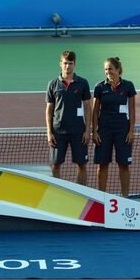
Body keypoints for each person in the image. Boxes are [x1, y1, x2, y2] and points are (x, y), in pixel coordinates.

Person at [45, 50, 92, 185]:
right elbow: (49, 109)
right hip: (58, 132)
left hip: (78, 132)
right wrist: (49, 132)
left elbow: (88, 107)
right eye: (65, 63)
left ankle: (82, 194)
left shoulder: (82, 83)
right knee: (55, 165)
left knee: (81, 165)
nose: (67, 66)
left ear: (74, 64)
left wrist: (87, 130)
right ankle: (55, 195)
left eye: (70, 63)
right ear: (60, 64)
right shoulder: (53, 84)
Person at [92, 57, 136, 197]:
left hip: (122, 131)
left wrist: (131, 131)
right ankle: (102, 197)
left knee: (123, 164)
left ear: (118, 69)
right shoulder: (100, 87)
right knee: (102, 165)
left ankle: (125, 197)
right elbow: (94, 112)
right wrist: (94, 131)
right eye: (106, 69)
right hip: (104, 131)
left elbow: (132, 110)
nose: (108, 72)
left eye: (110, 68)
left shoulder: (128, 86)